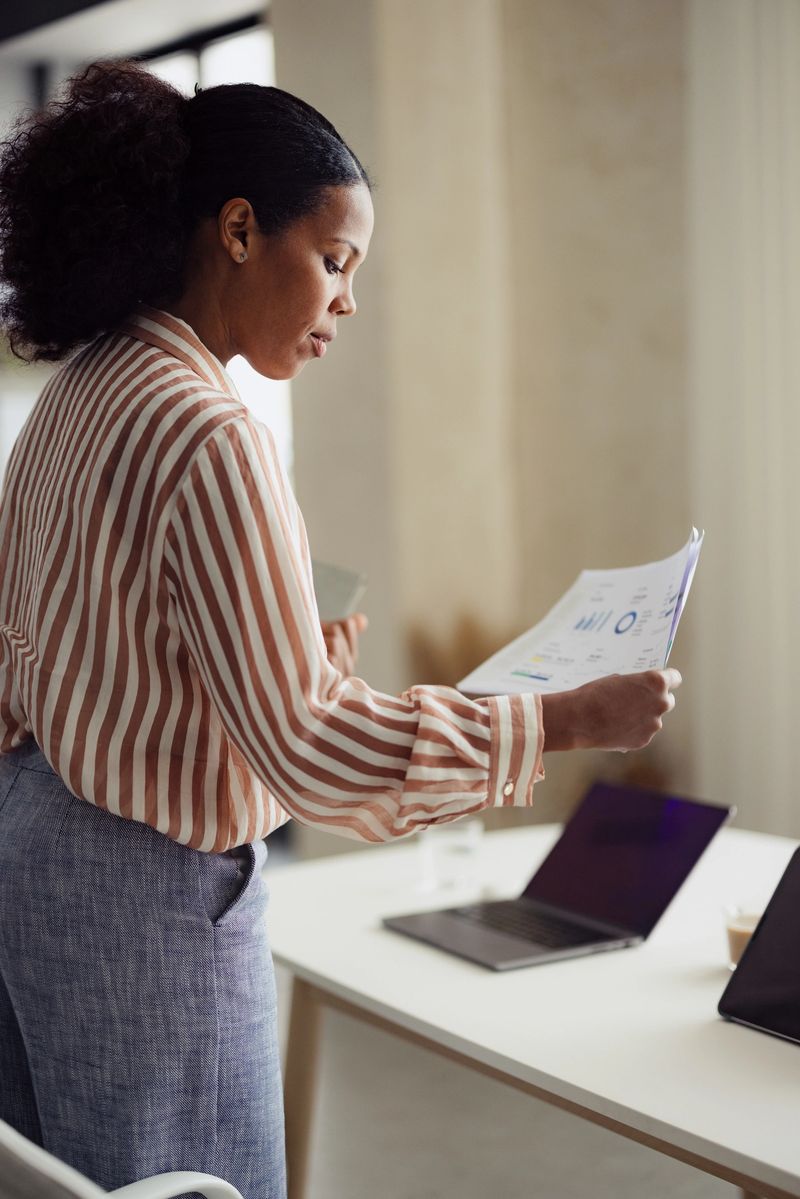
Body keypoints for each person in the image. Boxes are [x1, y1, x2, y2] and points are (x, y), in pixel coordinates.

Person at [0, 60, 680, 1199]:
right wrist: (560, 720)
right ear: (236, 231)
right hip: (140, 892)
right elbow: (309, 749)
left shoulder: (79, 392)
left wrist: (288, 659)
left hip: (31, 847)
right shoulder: (211, 433)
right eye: (334, 259)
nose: (347, 301)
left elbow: (71, 648)